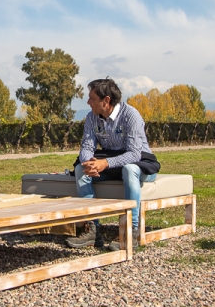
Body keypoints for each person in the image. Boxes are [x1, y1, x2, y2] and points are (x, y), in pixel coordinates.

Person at [65, 78, 159, 252]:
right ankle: (92, 228)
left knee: (129, 169)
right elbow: (87, 146)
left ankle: (131, 231)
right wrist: (89, 163)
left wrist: (105, 163)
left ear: (106, 100)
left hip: (140, 162)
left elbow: (133, 154)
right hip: (110, 161)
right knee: (80, 170)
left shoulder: (131, 115)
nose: (88, 102)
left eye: (92, 98)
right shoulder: (92, 117)